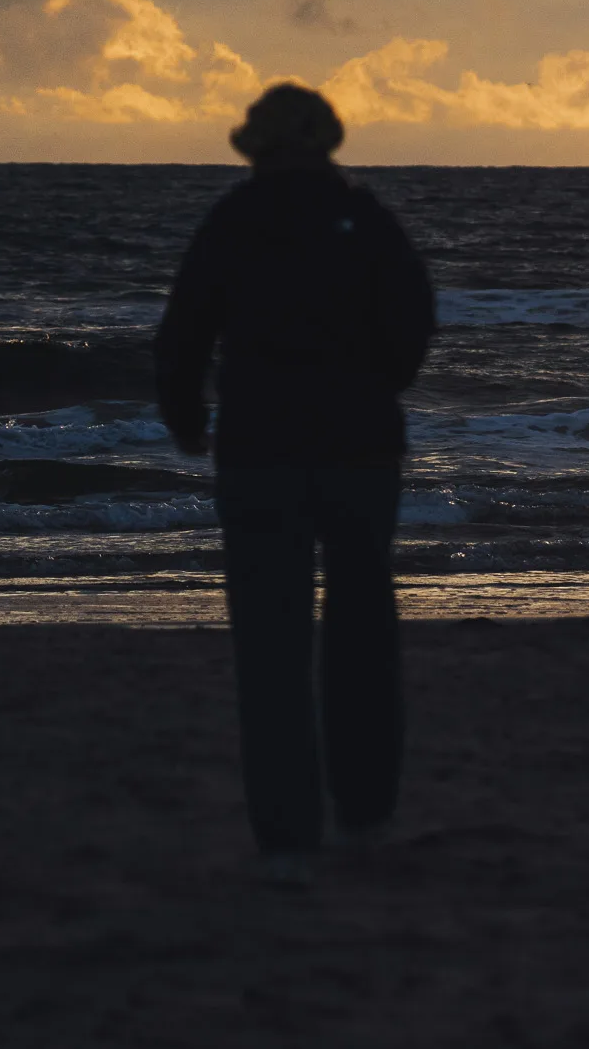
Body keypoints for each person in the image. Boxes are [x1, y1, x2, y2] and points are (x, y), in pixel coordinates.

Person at [155, 83, 435, 871]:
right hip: (361, 448)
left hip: (260, 450)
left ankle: (286, 832)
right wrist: (382, 384)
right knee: (364, 632)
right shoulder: (366, 219)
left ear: (256, 145)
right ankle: (366, 808)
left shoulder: (234, 220)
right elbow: (414, 315)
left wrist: (185, 417)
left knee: (270, 644)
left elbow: (183, 330)